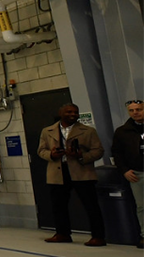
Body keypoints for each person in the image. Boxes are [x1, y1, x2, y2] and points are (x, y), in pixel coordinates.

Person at [37, 104, 106, 247]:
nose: (72, 114)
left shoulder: (88, 131)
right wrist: (51, 154)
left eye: (75, 112)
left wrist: (81, 155)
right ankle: (62, 233)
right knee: (59, 205)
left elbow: (98, 151)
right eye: (69, 112)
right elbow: (41, 150)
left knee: (91, 205)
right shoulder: (47, 131)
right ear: (61, 113)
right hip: (57, 171)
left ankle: (98, 236)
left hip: (82, 171)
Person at [111, 100, 143, 248]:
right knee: (141, 206)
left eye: (138, 109)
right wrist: (124, 170)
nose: (135, 113)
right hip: (137, 173)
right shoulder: (122, 131)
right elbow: (117, 153)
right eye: (132, 110)